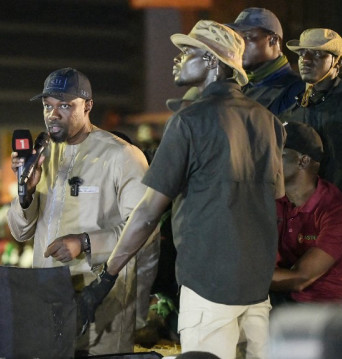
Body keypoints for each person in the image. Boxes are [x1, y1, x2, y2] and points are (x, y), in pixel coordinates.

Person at [80, 20, 284, 359]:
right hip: (257, 291)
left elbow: (147, 213)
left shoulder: (189, 120)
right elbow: (272, 201)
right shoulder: (269, 122)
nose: (179, 60)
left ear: (213, 62)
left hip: (209, 289)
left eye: (188, 52)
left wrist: (106, 277)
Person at [7, 67, 149, 355]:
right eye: (48, 106)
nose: (53, 114)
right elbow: (20, 232)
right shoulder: (41, 157)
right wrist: (26, 191)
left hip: (102, 300)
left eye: (65, 105)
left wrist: (84, 242)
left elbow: (143, 228)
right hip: (49, 300)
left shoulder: (121, 155)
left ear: (88, 106)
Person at [271, 122, 342, 304]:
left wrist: (238, 280)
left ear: (303, 161)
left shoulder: (339, 212)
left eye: (278, 154)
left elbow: (300, 279)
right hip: (287, 300)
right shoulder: (277, 201)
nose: (268, 161)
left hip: (329, 311)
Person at [279, 28, 342, 204]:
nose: (306, 59)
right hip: (307, 222)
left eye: (317, 54)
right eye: (302, 53)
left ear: (338, 61)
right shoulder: (290, 114)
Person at [227, 7, 304, 115]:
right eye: (237, 39)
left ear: (273, 40)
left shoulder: (298, 90)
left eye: (247, 37)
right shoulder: (238, 87)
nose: (239, 45)